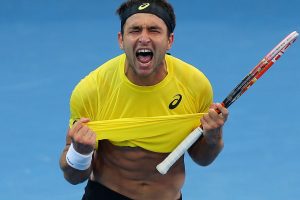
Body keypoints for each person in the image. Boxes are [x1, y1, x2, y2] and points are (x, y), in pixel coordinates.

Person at [59, 0, 229, 199]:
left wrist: (213, 136)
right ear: (121, 40)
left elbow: (202, 158)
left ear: (169, 41)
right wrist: (80, 152)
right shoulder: (93, 90)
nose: (144, 38)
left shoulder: (195, 85)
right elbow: (73, 176)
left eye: (154, 30)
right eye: (135, 30)